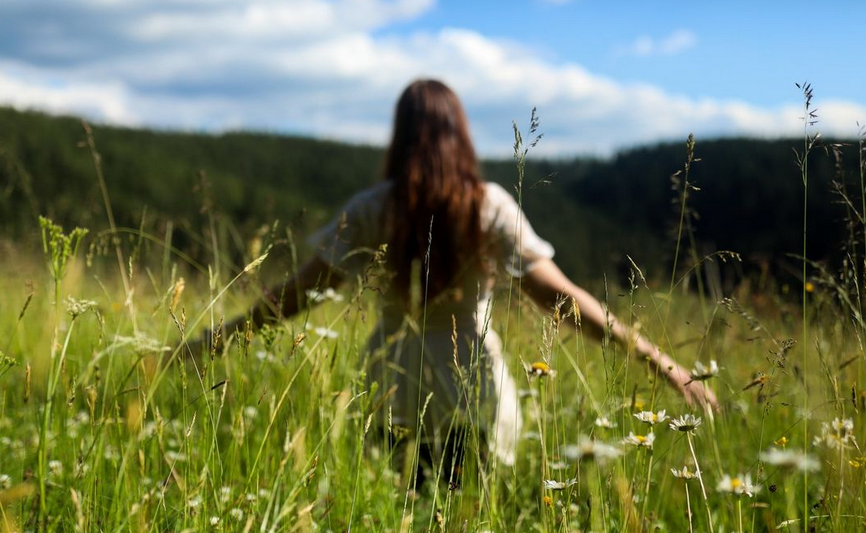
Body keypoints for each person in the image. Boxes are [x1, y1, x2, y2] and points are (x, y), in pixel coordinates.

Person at [207, 79, 717, 473]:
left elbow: (294, 295)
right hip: (472, 389)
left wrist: (217, 339)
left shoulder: (369, 209)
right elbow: (565, 300)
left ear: (400, 134)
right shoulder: (487, 206)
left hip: (393, 389)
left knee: (399, 510)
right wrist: (665, 365)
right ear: (460, 133)